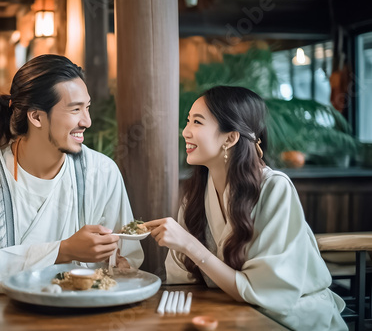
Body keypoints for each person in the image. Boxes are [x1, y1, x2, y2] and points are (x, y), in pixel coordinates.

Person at [0, 54, 143, 293]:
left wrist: (120, 263)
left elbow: (127, 255)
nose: (87, 121)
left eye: (88, 108)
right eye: (75, 110)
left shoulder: (102, 173)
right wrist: (61, 251)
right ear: (36, 116)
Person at [145, 86, 346, 330]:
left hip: (287, 318)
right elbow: (182, 282)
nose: (185, 131)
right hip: (223, 312)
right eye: (188, 121)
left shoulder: (274, 189)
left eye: (197, 122)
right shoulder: (196, 195)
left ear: (230, 138)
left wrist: (189, 244)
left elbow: (265, 293)